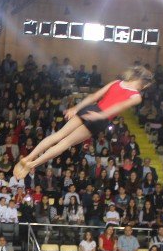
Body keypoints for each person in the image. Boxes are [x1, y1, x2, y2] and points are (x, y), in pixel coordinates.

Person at [13, 66, 152, 179]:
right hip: (100, 118)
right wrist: (101, 115)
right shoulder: (136, 96)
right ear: (144, 84)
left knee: (58, 135)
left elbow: (94, 96)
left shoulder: (117, 83)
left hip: (91, 108)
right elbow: (118, 107)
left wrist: (76, 108)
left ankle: (28, 157)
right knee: (65, 143)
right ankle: (33, 164)